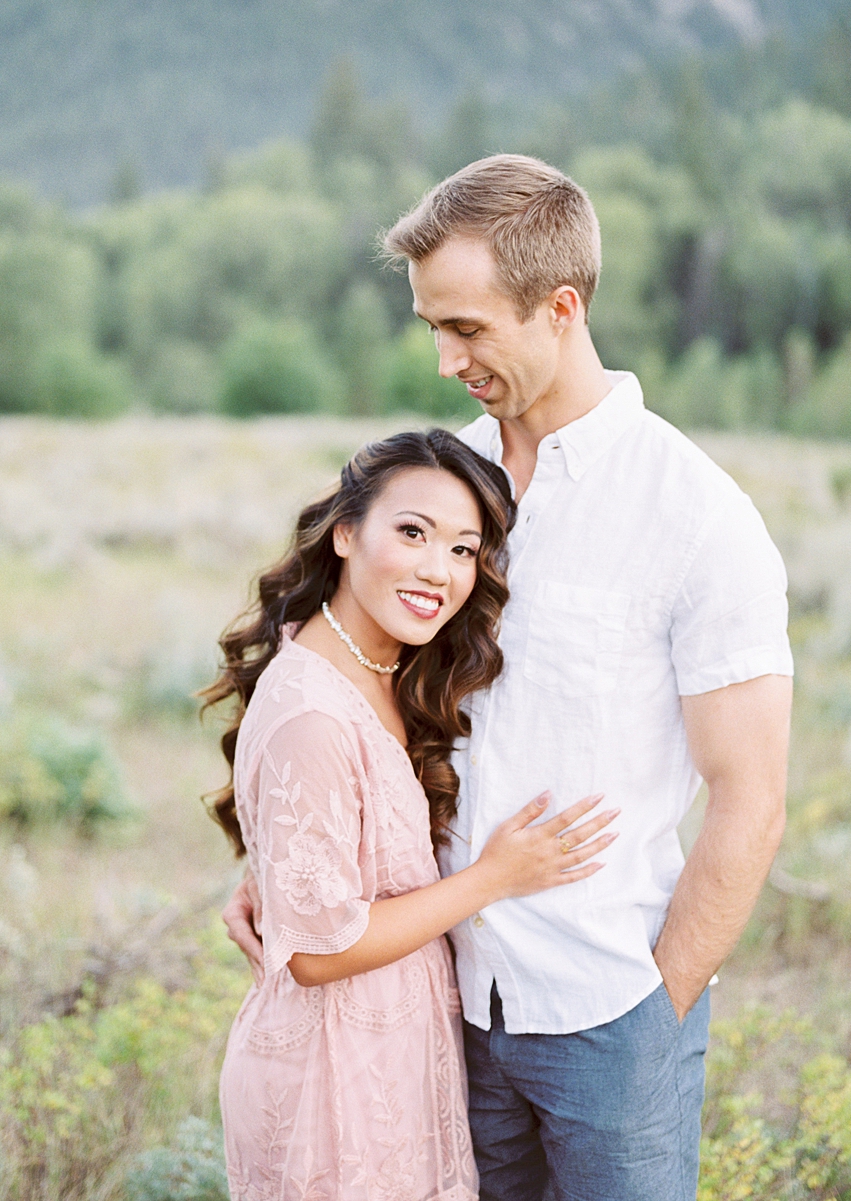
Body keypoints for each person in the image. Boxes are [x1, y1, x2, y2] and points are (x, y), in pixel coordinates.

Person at [224, 155, 793, 1201]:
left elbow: (750, 798)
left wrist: (657, 1003)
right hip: (441, 997)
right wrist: (293, 863)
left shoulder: (696, 517)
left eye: (468, 329)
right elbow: (362, 686)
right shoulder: (447, 489)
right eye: (432, 327)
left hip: (606, 1014)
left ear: (560, 308)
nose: (446, 360)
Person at [205, 428, 618, 1201]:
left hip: (387, 1062)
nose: (439, 570)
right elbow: (318, 951)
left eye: (464, 549)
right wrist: (494, 877)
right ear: (345, 532)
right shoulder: (312, 710)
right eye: (413, 532)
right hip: (331, 1086)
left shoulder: (388, 668)